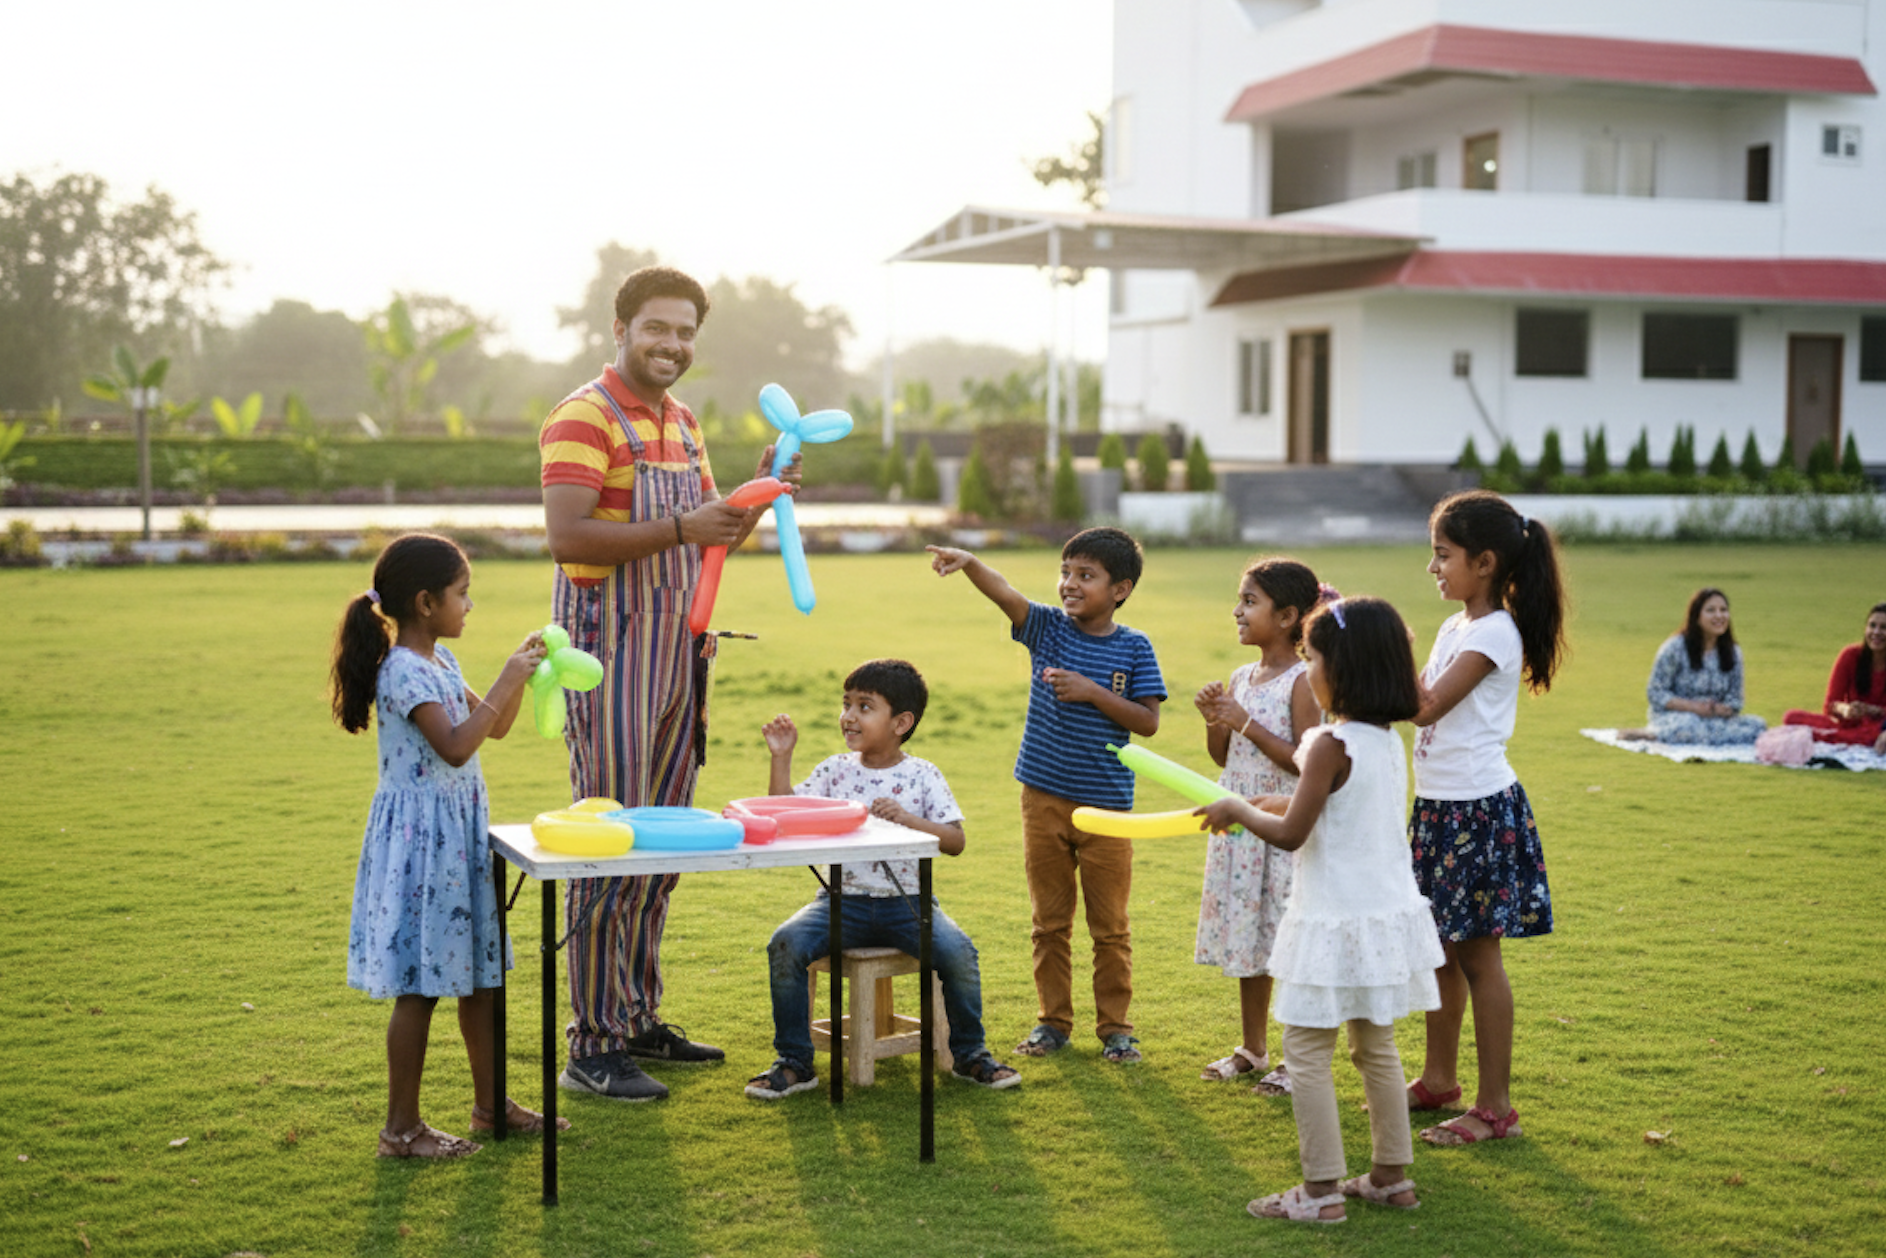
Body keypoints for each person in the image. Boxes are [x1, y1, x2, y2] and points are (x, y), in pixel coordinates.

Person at [539, 265, 801, 1102]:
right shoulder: (584, 416)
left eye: (686, 332)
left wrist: (758, 494)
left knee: (662, 846)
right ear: (619, 328)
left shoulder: (683, 422)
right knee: (612, 838)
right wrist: (685, 525)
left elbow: (706, 537)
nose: (674, 346)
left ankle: (635, 1016)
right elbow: (567, 535)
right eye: (658, 328)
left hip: (679, 653)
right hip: (608, 654)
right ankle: (592, 1044)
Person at [1198, 596, 1443, 1224]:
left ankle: (1320, 1190)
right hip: (1381, 917)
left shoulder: (1330, 743)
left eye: (1312, 658)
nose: (1307, 670)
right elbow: (1329, 810)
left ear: (1342, 669)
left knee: (1306, 1052)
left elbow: (1292, 834)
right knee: (1376, 1046)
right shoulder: (1383, 742)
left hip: (1331, 919)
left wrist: (1240, 811)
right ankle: (1391, 1176)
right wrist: (1262, 798)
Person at [331, 532, 570, 1157]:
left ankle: (491, 1107)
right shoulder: (405, 670)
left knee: (481, 979)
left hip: (456, 837)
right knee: (420, 986)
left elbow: (496, 725)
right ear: (425, 601)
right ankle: (400, 1130)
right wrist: (506, 674)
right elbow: (456, 745)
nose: (470, 607)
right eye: (463, 595)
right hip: (422, 845)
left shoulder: (440, 661)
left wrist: (518, 673)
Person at [927, 528, 1166, 1064]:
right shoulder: (1047, 629)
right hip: (1042, 800)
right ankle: (1053, 1023)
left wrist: (1092, 691)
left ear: (1120, 589)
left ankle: (1116, 1029)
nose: (1070, 584)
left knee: (1110, 929)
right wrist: (969, 563)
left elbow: (1148, 723)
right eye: (1066, 572)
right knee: (1049, 923)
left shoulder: (1134, 646)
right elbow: (1006, 593)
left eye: (1086, 576)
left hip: (1107, 809)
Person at [745, 658, 1022, 1099]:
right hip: (839, 903)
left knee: (959, 952)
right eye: (846, 704)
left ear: (901, 722)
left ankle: (971, 1055)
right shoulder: (835, 770)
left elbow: (955, 840)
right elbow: (784, 815)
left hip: (908, 904)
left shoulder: (922, 775)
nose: (850, 716)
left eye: (865, 706)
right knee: (786, 943)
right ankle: (795, 1062)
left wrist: (910, 820)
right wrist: (782, 758)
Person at [1406, 490, 1565, 1146]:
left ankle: (1495, 1107)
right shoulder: (1455, 626)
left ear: (1487, 561)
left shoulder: (1496, 631)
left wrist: (1366, 644)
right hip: (1440, 807)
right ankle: (1439, 1079)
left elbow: (1423, 707)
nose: (1433, 567)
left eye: (1443, 555)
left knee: (1477, 958)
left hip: (1477, 810)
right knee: (1439, 950)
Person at [1191, 558, 1325, 1097]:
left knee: (1286, 938)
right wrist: (1215, 721)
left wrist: (1242, 718)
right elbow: (1226, 756)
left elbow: (1305, 761)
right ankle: (1253, 1047)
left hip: (1281, 822)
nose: (1237, 611)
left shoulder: (1304, 680)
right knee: (1249, 938)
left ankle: (1297, 1060)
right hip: (1240, 822)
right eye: (1239, 600)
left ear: (1289, 616)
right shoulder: (1244, 676)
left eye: (1250, 602)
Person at [1618, 587, 1766, 745]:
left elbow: (1736, 699)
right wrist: (1693, 707)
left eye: (1723, 610)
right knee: (1689, 727)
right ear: (1696, 616)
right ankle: (1654, 734)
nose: (1719, 616)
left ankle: (1704, 738)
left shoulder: (1733, 652)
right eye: (1711, 610)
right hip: (1678, 717)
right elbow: (1655, 692)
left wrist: (1720, 709)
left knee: (1758, 726)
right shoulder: (1675, 648)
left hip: (1716, 720)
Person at [1782, 601, 1886, 752]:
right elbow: (1830, 704)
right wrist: (1846, 709)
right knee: (1791, 717)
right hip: (1848, 723)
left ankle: (1832, 739)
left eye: (1884, 628)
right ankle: (1840, 738)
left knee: (1872, 736)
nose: (1876, 632)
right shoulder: (1850, 655)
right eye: (1872, 626)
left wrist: (1872, 710)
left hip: (1879, 727)